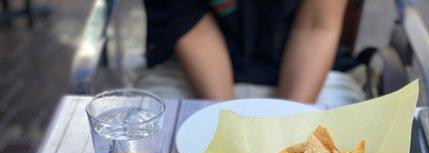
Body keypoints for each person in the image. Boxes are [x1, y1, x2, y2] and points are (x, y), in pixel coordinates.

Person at [143, 0, 365, 104]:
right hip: (193, 70)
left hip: (308, 71)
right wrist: (229, 126)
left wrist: (290, 121)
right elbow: (193, 28)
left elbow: (315, 26)